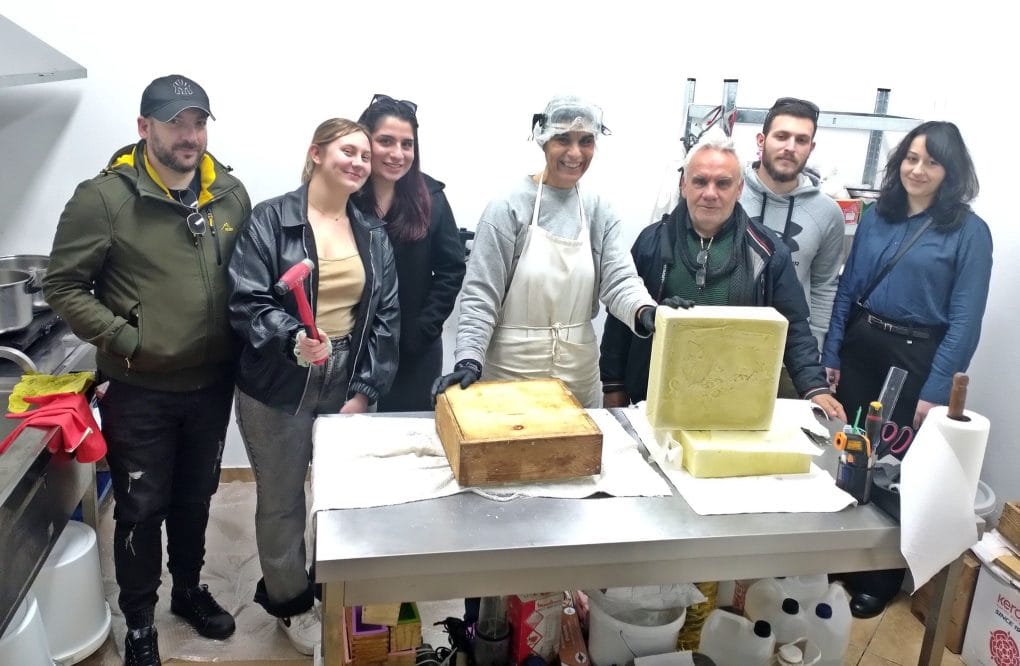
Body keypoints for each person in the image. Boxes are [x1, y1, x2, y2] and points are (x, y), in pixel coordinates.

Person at [44, 74, 251, 665]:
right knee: (139, 507)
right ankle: (139, 621)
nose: (190, 136)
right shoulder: (104, 199)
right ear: (144, 127)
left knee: (196, 498)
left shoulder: (229, 193)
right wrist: (126, 339)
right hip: (140, 388)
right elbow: (63, 284)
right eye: (175, 123)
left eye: (198, 123)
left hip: (211, 385)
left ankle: (187, 591)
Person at [227, 118, 399, 655]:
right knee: (282, 502)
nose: (359, 162)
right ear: (317, 153)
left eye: (365, 156)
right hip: (279, 380)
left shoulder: (370, 232)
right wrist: (290, 338)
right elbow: (247, 300)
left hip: (344, 373)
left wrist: (364, 390)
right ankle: (291, 602)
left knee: (339, 497)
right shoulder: (270, 220)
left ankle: (332, 587)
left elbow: (385, 316)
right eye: (348, 150)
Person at [821, 121, 992, 618]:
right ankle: (831, 556)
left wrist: (935, 390)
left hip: (917, 359)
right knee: (847, 454)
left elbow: (965, 321)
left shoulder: (969, 232)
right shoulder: (878, 215)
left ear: (951, 171)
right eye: (911, 158)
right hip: (861, 346)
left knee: (892, 470)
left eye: (932, 162)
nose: (918, 170)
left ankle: (878, 576)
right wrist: (831, 353)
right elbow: (848, 289)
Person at [432, 95, 673, 410]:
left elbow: (620, 280)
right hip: (511, 372)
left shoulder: (599, 210)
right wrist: (469, 359)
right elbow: (481, 295)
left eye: (586, 141)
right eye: (563, 139)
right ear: (543, 140)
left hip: (578, 372)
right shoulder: (508, 208)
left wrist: (646, 310)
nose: (575, 153)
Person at [599, 127, 846, 422]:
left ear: (739, 189)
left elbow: (793, 326)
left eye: (723, 183)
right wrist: (613, 386)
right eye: (700, 181)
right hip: (652, 395)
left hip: (733, 401)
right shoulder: (651, 242)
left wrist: (815, 387)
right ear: (683, 185)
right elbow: (620, 320)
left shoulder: (768, 252)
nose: (710, 193)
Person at [355, 94, 465, 411]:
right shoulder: (346, 197)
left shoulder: (431, 196)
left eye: (407, 144)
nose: (398, 154)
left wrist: (423, 329)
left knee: (407, 431)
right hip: (352, 347)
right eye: (386, 141)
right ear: (364, 140)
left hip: (414, 349)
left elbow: (451, 269)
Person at [740, 97, 844, 349]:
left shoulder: (828, 213)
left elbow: (823, 286)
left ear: (811, 147)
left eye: (801, 140)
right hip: (728, 337)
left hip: (791, 349)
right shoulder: (729, 194)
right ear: (761, 140)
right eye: (781, 136)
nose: (790, 147)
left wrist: (815, 346)